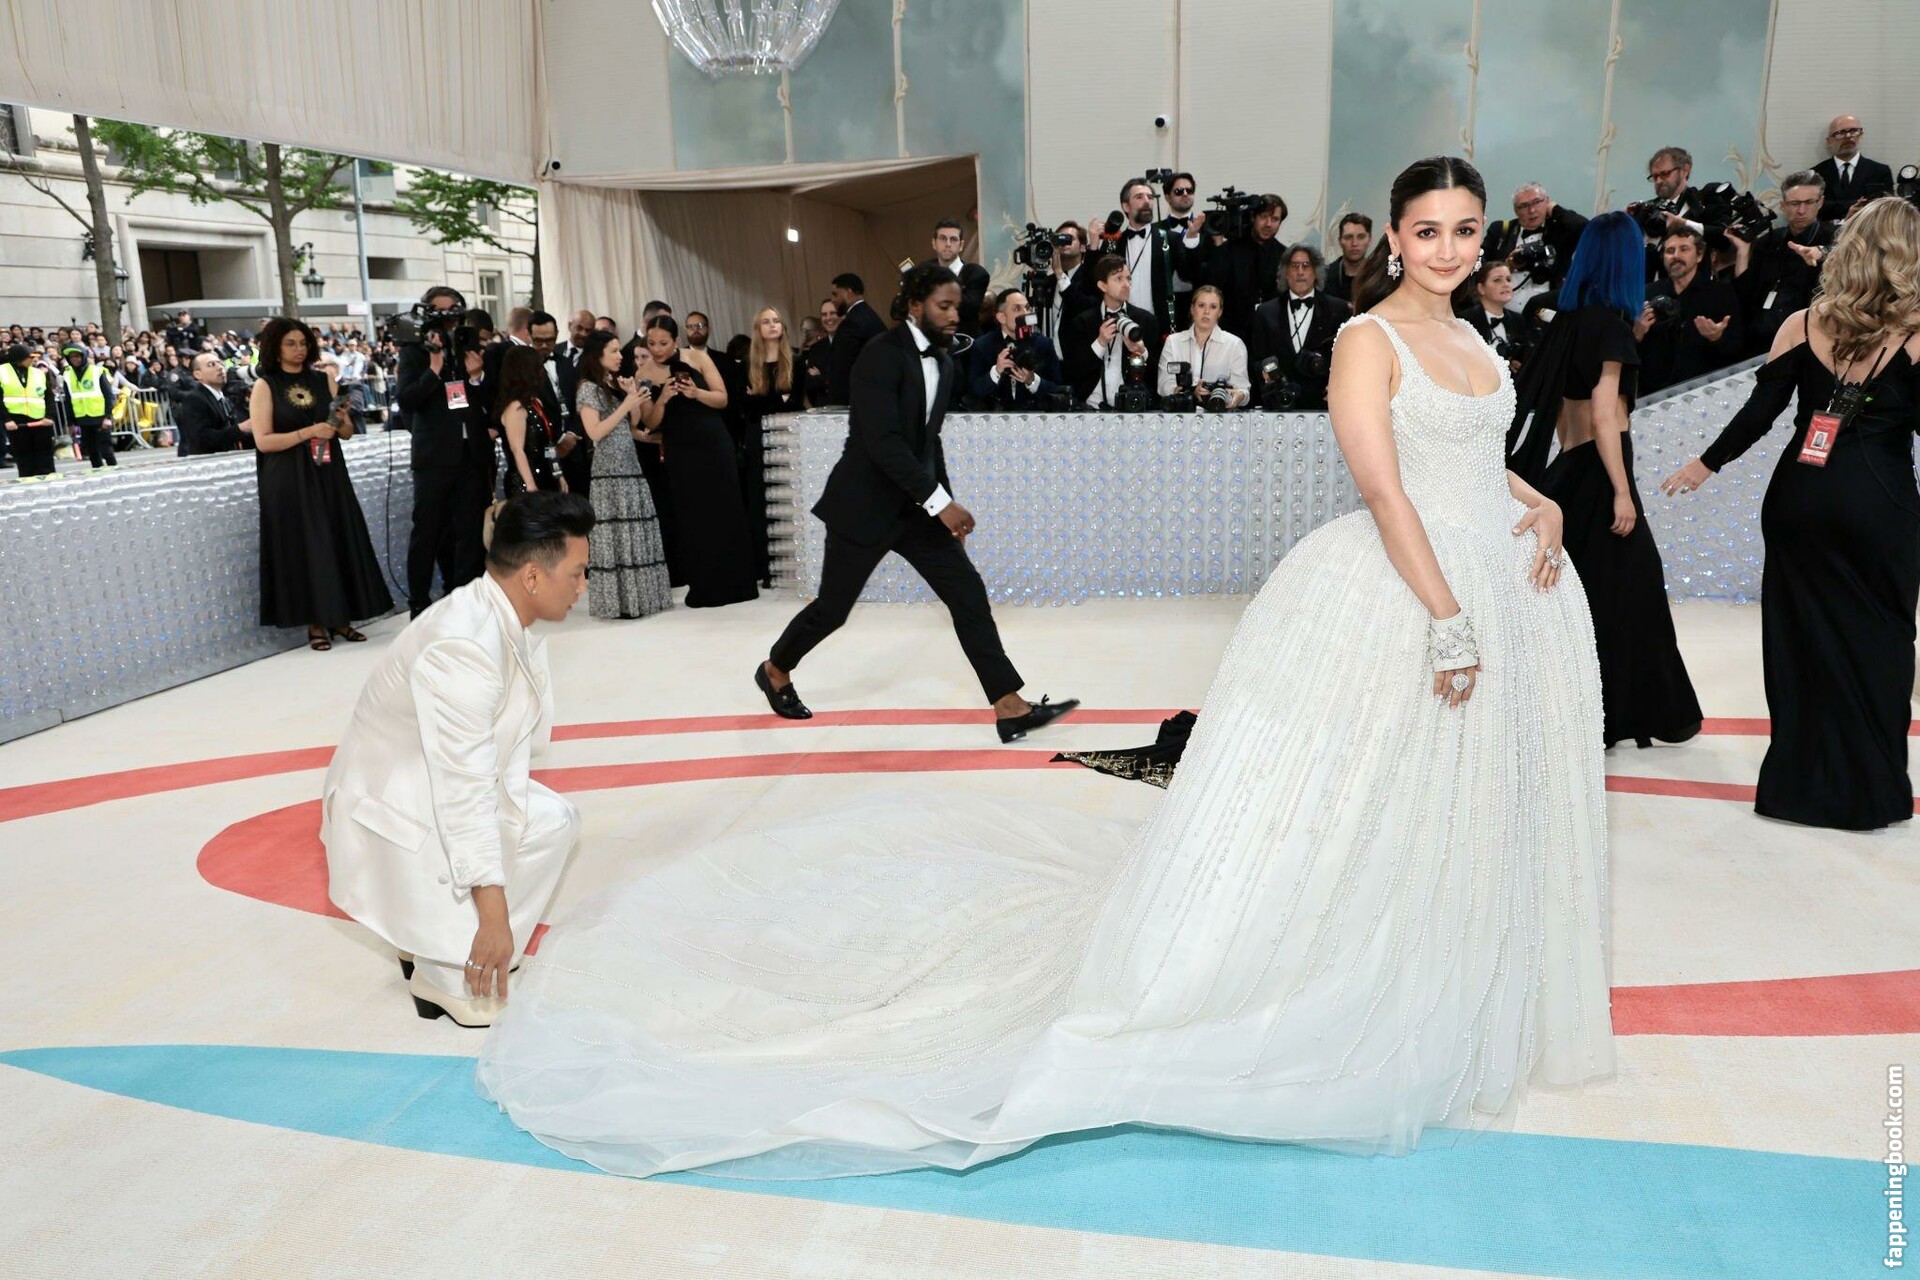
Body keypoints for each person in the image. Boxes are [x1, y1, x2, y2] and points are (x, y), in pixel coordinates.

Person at [476, 157, 1612, 1180]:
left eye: (1467, 231)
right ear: (1397, 238)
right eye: (1428, 230)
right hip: (1411, 592)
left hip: (1495, 581)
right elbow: (1383, 484)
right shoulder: (1368, 340)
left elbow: (1472, 461)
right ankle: (1337, 972)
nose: (1449, 249)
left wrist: (1543, 499)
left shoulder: (1480, 338)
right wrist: (1447, 617)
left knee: (1447, 800)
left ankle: (1436, 965)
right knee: (1352, 798)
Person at [1659, 197, 1920, 831]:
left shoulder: (1802, 322)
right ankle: (1870, 789)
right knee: (1882, 640)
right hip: (1880, 503)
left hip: (1799, 499)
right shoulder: (1915, 335)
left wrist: (1705, 464)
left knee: (1798, 639)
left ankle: (1798, 787)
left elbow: (1760, 414)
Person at [752, 264, 1079, 742]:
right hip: (864, 504)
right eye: (943, 306)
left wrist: (945, 508)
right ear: (914, 305)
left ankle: (1009, 706)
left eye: (957, 307)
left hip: (916, 509)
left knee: (967, 593)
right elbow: (881, 443)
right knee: (833, 610)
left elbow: (929, 443)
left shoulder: (944, 364)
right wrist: (939, 502)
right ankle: (775, 669)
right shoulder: (879, 354)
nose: (953, 315)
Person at [323, 492, 592, 1027]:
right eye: (578, 573)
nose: (583, 586)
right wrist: (493, 918)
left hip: (421, 785)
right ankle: (445, 966)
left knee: (551, 821)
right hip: (394, 806)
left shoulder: (497, 612)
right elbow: (462, 791)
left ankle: (442, 942)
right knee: (505, 830)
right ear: (532, 576)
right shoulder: (462, 645)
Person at [1508, 211, 1703, 749]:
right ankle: (1630, 716)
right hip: (1601, 473)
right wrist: (1621, 490)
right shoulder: (1609, 328)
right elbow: (1604, 417)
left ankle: (1597, 715)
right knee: (1633, 597)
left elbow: (1568, 406)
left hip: (1568, 473)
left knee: (1592, 598)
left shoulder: (1569, 322)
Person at [248, 316, 394, 651]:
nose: (298, 350)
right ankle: (315, 622)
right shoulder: (265, 385)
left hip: (328, 472)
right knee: (305, 545)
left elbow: (347, 432)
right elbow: (264, 441)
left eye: (303, 343)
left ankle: (340, 617)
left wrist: (341, 421)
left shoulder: (323, 379)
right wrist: (309, 432)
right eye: (290, 344)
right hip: (288, 477)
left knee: (336, 537)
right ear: (275, 347)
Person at [635, 316, 758, 608]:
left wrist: (695, 392)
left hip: (713, 442)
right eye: (652, 343)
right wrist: (663, 399)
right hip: (679, 449)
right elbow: (650, 422)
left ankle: (738, 583)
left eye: (663, 343)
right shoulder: (643, 373)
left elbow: (722, 399)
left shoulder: (697, 358)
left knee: (725, 508)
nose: (657, 349)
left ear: (676, 341)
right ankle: (703, 585)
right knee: (691, 514)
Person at [397, 285, 493, 618]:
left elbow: (486, 400)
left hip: (471, 453)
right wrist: (434, 369)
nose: (447, 317)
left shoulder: (468, 344)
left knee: (470, 531)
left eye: (453, 309)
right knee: (428, 530)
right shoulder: (414, 351)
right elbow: (407, 399)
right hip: (434, 457)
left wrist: (476, 376)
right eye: (439, 310)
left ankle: (464, 596)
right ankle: (419, 602)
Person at [574, 330, 672, 620]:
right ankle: (620, 603)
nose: (620, 356)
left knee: (635, 530)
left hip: (629, 465)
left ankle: (640, 599)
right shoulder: (587, 388)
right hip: (608, 472)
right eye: (614, 351)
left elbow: (633, 423)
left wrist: (631, 398)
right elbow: (595, 432)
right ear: (598, 355)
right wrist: (626, 405)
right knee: (616, 533)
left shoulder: (610, 383)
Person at [1726, 171, 1837, 356]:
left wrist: (1823, 252)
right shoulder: (1768, 241)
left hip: (1808, 343)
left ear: (1820, 203)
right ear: (1783, 205)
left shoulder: (1834, 239)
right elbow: (1744, 295)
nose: (1801, 210)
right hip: (1758, 341)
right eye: (1794, 203)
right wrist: (1743, 252)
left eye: (1809, 202)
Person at [739, 306, 805, 587]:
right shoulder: (747, 365)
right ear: (758, 329)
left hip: (787, 436)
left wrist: (761, 398)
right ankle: (766, 569)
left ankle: (794, 565)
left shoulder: (796, 361)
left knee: (789, 498)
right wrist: (777, 399)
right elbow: (747, 408)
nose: (772, 325)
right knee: (760, 501)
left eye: (776, 320)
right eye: (766, 321)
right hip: (757, 439)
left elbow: (795, 403)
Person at [1634, 226, 1742, 394]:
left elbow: (1737, 348)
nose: (1676, 256)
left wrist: (1717, 338)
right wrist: (1638, 333)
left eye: (1684, 249)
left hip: (1704, 390)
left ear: (1699, 255)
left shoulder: (1721, 294)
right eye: (1670, 251)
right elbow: (1630, 350)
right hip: (1653, 393)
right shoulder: (1646, 293)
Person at [1248, 243, 1351, 409]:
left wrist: (1338, 385)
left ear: (1316, 272)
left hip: (1323, 404)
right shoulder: (1265, 312)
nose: (1300, 272)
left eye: (1306, 265)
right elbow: (1256, 359)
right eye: (1294, 266)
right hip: (1278, 404)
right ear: (1286, 273)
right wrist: (1264, 373)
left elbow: (1347, 358)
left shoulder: (1338, 310)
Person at [1060, 256, 1161, 408]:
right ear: (1102, 285)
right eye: (1119, 279)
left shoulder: (1146, 320)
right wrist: (1100, 343)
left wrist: (1142, 352)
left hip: (1133, 406)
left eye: (1128, 278)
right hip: (1090, 407)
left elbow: (1157, 376)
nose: (1126, 284)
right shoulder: (1082, 322)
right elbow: (1073, 372)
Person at [1486, 184, 1588, 308]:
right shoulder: (1501, 231)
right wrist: (1508, 265)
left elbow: (1586, 228)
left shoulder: (1560, 231)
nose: (1532, 210)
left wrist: (1555, 209)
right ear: (1516, 210)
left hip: (1547, 311)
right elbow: (1480, 269)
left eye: (1537, 202)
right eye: (1524, 206)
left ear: (1547, 201)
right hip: (1503, 310)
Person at [1205, 192, 1288, 340]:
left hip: (1270, 334)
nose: (1268, 224)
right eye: (1263, 217)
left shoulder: (1284, 255)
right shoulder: (1229, 249)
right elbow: (1212, 286)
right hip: (1231, 334)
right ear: (1253, 217)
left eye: (1275, 219)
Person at [968, 288, 1065, 408]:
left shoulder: (1044, 344)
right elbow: (973, 391)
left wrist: (1032, 381)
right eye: (1017, 309)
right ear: (1001, 317)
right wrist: (996, 371)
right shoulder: (982, 345)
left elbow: (1058, 389)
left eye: (1027, 308)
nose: (1025, 313)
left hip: (1034, 415)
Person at [1156, 285, 1248, 408]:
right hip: (1182, 413)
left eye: (1213, 307)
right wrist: (1191, 392)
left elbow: (1243, 389)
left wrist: (1238, 396)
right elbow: (1163, 385)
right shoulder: (1173, 342)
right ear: (1192, 309)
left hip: (1219, 413)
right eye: (1201, 305)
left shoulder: (1234, 344)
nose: (1206, 312)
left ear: (1220, 312)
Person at [494, 344, 562, 496]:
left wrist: (559, 474)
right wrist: (531, 486)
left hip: (547, 476)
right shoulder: (516, 407)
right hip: (526, 482)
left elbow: (548, 444)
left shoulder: (536, 402)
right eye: (538, 366)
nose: (542, 371)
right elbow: (517, 450)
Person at [1811, 115, 1893, 224]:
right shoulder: (1815, 174)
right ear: (1829, 141)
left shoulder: (1880, 172)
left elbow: (1885, 209)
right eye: (1841, 133)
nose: (1848, 136)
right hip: (1828, 232)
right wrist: (1854, 205)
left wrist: (1834, 207)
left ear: (1861, 135)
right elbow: (1815, 208)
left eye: (1854, 131)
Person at [1462, 261, 1537, 374]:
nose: (1506, 284)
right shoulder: (1465, 321)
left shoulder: (1518, 321)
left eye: (1508, 279)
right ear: (1481, 288)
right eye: (1497, 280)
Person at [174, 351, 253, 455]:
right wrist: (240, 428)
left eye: (220, 363)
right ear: (198, 374)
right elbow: (202, 438)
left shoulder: (224, 398)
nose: (220, 367)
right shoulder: (194, 399)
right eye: (211, 364)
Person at [825, 273, 886, 405]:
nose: (832, 300)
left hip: (856, 403)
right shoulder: (869, 315)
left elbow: (842, 370)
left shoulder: (852, 322)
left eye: (835, 294)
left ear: (848, 292)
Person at [923, 219, 991, 337]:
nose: (948, 244)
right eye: (943, 238)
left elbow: (968, 308)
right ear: (934, 243)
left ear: (961, 245)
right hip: (930, 339)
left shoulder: (976, 273)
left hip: (965, 341)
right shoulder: (924, 270)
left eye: (953, 239)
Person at [58, 343, 116, 470]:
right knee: (92, 451)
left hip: (100, 416)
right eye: (72, 357)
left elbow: (109, 395)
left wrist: (108, 417)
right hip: (82, 418)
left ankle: (115, 472)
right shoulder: (67, 375)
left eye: (77, 356)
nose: (75, 359)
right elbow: (69, 400)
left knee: (106, 450)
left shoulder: (97, 371)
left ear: (83, 356)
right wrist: (70, 423)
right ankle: (98, 473)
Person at [1, 343, 54, 479]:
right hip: (17, 421)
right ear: (18, 358)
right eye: (29, 357)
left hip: (40, 419)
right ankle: (28, 481)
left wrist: (49, 416)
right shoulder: (2, 372)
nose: (32, 360)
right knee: (24, 457)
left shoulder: (38, 373)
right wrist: (7, 419)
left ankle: (49, 480)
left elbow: (49, 396)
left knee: (45, 455)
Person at [1324, 212, 1372, 303]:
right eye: (1348, 237)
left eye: (1361, 237)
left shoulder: (1380, 277)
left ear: (1369, 240)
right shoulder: (1324, 278)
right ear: (1340, 241)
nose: (1354, 243)